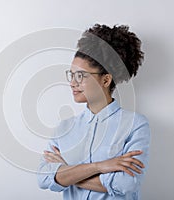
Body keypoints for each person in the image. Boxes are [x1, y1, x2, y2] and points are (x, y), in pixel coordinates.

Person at [37, 23, 150, 200]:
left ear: (105, 80)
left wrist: (67, 172)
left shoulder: (134, 125)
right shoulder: (64, 128)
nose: (73, 83)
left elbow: (127, 185)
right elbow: (43, 178)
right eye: (71, 74)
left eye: (81, 75)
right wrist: (101, 167)